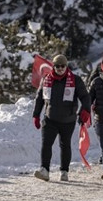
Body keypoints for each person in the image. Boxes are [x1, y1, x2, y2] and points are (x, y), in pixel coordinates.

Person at [32, 54, 91, 182]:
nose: (60, 68)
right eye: (57, 66)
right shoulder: (46, 79)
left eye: (62, 66)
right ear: (54, 66)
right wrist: (36, 115)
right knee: (46, 144)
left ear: (66, 66)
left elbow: (85, 97)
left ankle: (64, 171)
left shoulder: (75, 80)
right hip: (50, 118)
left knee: (65, 145)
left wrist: (85, 110)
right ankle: (44, 170)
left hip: (67, 120)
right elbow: (39, 99)